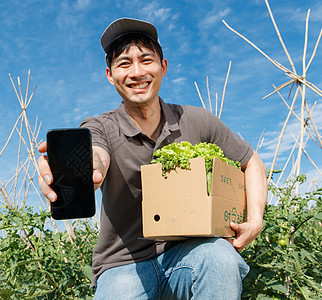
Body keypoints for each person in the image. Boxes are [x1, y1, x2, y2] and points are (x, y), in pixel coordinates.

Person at [38, 17, 267, 299]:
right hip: (122, 264)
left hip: (187, 254)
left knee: (220, 258)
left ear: (163, 67)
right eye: (124, 64)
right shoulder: (101, 127)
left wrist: (255, 217)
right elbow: (97, 155)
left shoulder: (197, 120)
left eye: (146, 60)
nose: (136, 72)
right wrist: (84, 171)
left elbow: (251, 161)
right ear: (110, 75)